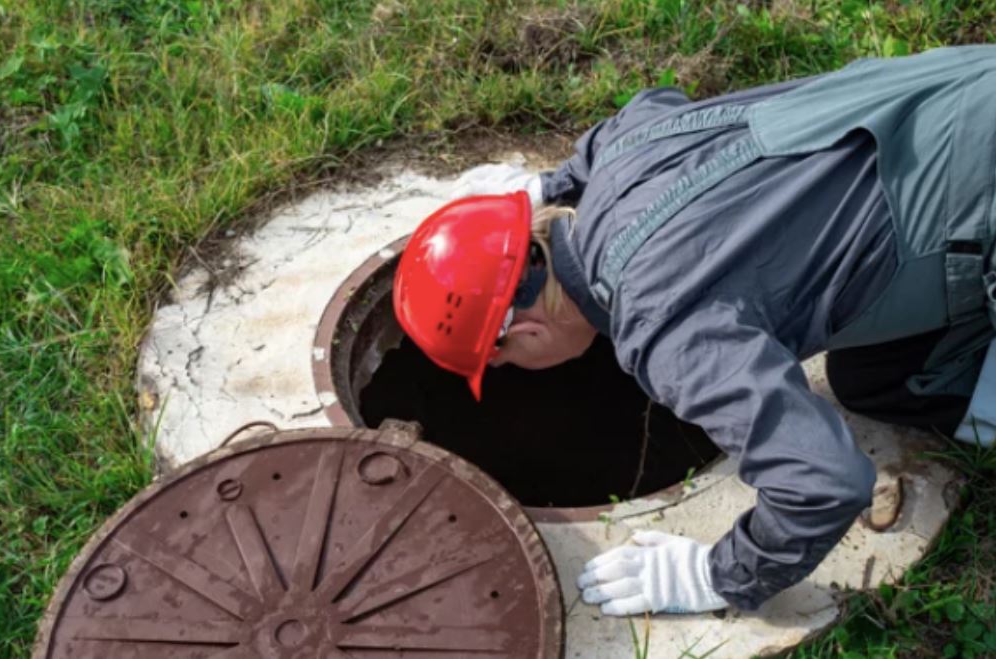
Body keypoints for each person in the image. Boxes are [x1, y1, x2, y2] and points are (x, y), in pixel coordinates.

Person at [392, 45, 996, 615]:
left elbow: (824, 482)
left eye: (501, 363)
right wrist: (549, 185)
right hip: (962, 92)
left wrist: (717, 574)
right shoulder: (627, 153)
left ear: (522, 332)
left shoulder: (664, 327)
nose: (512, 371)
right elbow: (641, 109)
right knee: (879, 381)